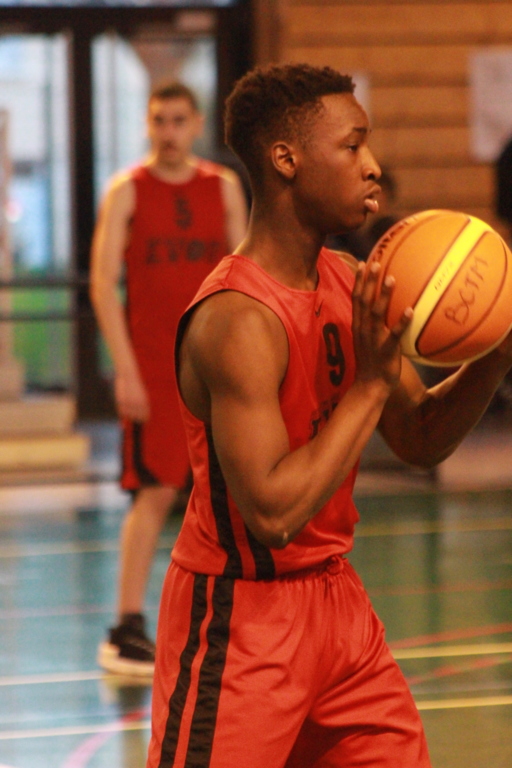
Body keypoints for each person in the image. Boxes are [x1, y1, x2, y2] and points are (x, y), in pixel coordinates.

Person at [146, 64, 512, 767]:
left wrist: (494, 358)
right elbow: (272, 512)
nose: (372, 166)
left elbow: (418, 436)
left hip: (336, 607)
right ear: (286, 160)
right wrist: (370, 385)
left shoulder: (348, 281)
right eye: (352, 145)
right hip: (240, 617)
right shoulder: (237, 319)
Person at [90, 80, 248, 676]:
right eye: (159, 120)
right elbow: (102, 284)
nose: (169, 131)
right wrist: (125, 370)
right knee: (154, 493)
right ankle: (125, 627)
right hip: (154, 367)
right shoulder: (127, 190)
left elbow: (245, 273)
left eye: (179, 120)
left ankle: (234, 623)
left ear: (197, 123)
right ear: (147, 124)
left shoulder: (222, 186)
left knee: (233, 494)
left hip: (214, 365)